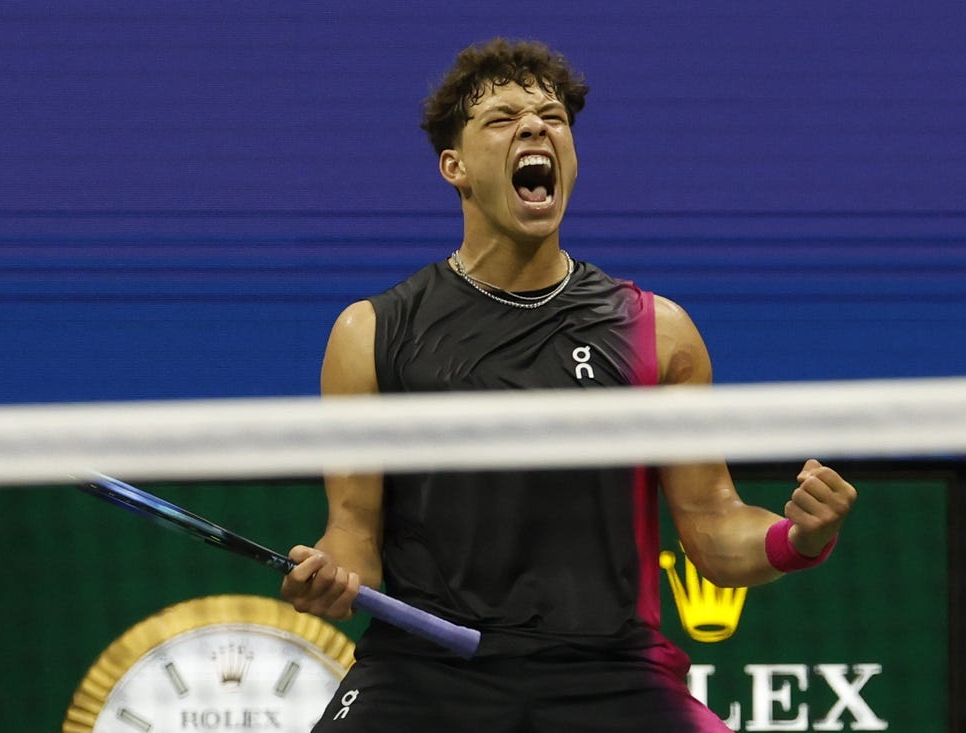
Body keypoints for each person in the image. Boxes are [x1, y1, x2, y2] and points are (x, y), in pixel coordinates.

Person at [281, 38, 856, 732]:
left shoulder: (655, 332)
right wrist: (333, 576)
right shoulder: (371, 333)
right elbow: (354, 532)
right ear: (454, 167)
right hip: (424, 670)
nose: (535, 127)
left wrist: (797, 538)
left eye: (552, 117)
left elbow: (712, 526)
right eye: (502, 118)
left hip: (610, 672)